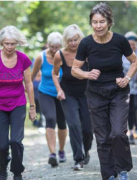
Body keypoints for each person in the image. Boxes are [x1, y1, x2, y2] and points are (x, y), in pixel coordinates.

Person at [71, 3, 137, 180]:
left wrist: (127, 78)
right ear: (91, 23)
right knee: (102, 138)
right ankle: (109, 175)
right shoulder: (85, 43)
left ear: (109, 22)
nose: (98, 25)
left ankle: (122, 169)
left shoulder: (119, 40)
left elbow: (134, 62)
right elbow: (74, 69)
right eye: (95, 22)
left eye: (102, 21)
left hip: (118, 90)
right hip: (95, 92)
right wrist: (87, 73)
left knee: (117, 132)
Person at [0, 25, 36, 180]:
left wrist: (32, 107)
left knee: (16, 141)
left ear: (17, 43)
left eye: (12, 43)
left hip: (18, 103)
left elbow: (29, 84)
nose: (9, 47)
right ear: (1, 43)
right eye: (6, 43)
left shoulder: (23, 59)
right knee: (1, 145)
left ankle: (17, 172)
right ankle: (3, 165)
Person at [52, 24, 93, 171]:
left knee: (88, 129)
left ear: (80, 39)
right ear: (65, 41)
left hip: (87, 94)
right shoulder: (60, 55)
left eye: (76, 39)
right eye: (70, 40)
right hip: (68, 94)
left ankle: (86, 149)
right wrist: (59, 89)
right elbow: (55, 74)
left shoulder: (87, 53)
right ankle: (78, 159)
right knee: (74, 125)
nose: (73, 43)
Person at [31, 32, 67, 167]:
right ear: (48, 45)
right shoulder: (41, 57)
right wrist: (27, 92)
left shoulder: (65, 55)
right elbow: (32, 76)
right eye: (52, 47)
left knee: (62, 123)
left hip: (62, 93)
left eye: (58, 47)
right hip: (45, 92)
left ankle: (61, 150)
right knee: (50, 119)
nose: (55, 50)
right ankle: (52, 153)